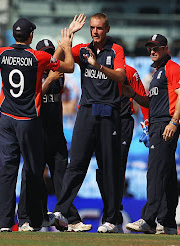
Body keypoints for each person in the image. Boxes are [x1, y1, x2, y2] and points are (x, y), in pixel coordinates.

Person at [0, 17, 75, 232]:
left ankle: (5, 224)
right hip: (27, 120)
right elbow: (70, 67)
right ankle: (32, 219)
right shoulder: (36, 57)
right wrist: (65, 46)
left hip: (6, 118)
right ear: (31, 36)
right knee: (33, 170)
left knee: (6, 172)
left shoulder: (2, 53)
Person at [53, 13, 126, 233]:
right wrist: (68, 38)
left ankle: (112, 219)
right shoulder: (83, 49)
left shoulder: (116, 50)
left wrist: (98, 66)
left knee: (108, 169)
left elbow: (121, 77)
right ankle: (61, 211)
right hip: (86, 111)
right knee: (76, 163)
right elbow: (55, 62)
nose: (95, 32)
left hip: (108, 113)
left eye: (100, 28)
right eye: (92, 28)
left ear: (107, 29)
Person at [17, 39, 92, 232]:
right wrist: (49, 79)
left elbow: (66, 64)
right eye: (45, 53)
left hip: (56, 133)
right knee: (31, 176)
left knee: (62, 176)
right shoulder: (32, 73)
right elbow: (30, 99)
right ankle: (26, 218)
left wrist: (66, 42)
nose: (49, 56)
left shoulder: (59, 73)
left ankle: (71, 219)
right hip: (36, 133)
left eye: (51, 52)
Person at [125, 34, 180, 235]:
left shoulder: (172, 68)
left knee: (155, 171)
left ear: (166, 49)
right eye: (150, 48)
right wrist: (134, 95)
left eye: (156, 48)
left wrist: (174, 122)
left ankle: (149, 219)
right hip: (157, 124)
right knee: (167, 174)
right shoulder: (157, 73)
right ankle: (168, 221)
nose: (152, 51)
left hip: (165, 124)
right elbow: (151, 104)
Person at [96, 64, 149, 232]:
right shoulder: (96, 69)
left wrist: (147, 123)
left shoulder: (130, 71)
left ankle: (113, 217)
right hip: (101, 121)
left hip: (123, 121)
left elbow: (142, 95)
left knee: (117, 169)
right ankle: (111, 213)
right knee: (102, 170)